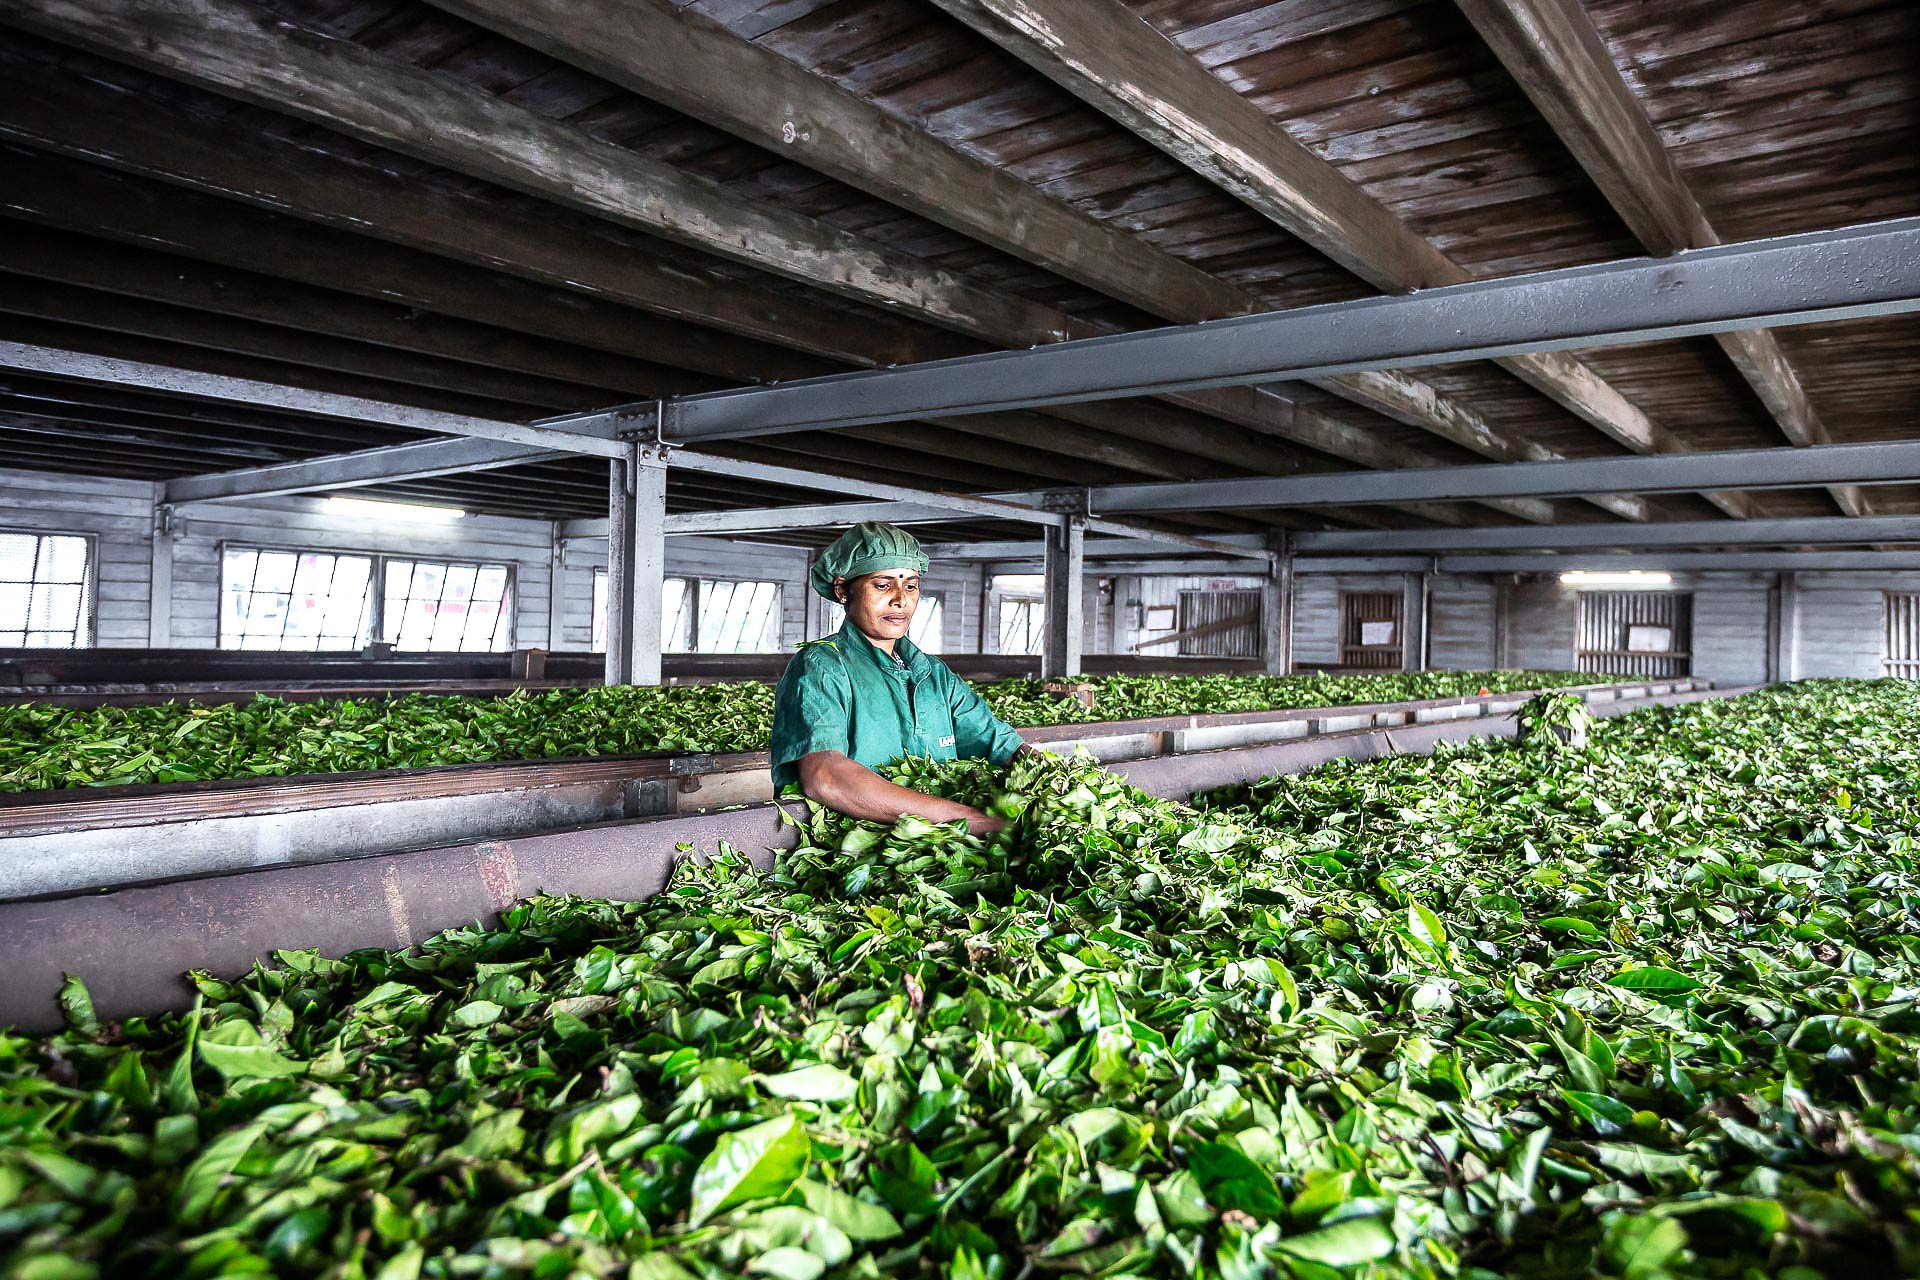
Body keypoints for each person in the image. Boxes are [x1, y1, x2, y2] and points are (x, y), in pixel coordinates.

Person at [770, 522, 1031, 834]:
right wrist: (969, 820)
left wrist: (1066, 783)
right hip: (851, 850)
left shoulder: (933, 674)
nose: (901, 600)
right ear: (842, 590)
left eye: (910, 586)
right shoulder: (822, 664)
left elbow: (998, 742)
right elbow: (826, 776)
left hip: (940, 848)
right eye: (883, 585)